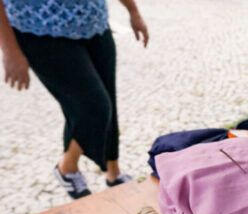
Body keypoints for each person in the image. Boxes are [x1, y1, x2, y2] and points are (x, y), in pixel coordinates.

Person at [0, 0, 148, 199]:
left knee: (108, 98)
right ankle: (67, 169)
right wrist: (10, 50)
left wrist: (133, 10)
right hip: (38, 29)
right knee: (94, 105)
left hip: (95, 24)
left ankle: (114, 173)